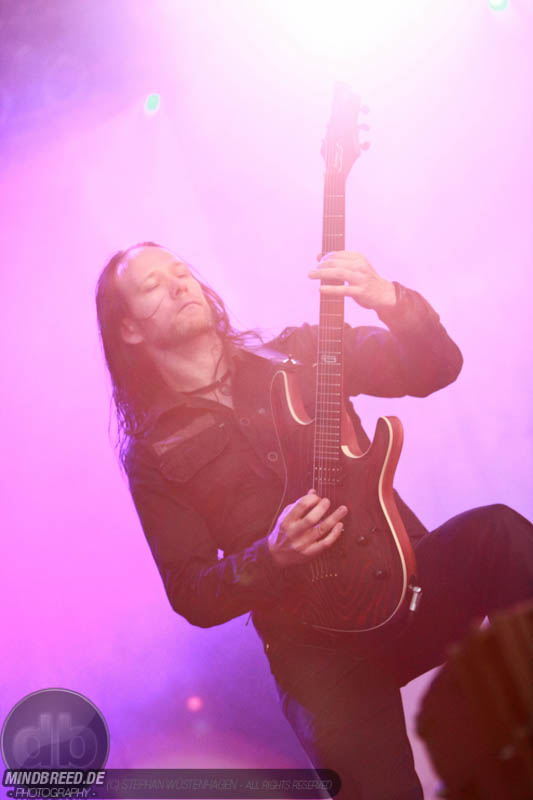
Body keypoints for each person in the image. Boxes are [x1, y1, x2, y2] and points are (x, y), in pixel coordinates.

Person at [96, 242, 533, 800]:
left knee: (498, 534)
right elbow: (191, 591)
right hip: (319, 657)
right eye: (154, 284)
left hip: (405, 585)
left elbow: (437, 368)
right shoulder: (152, 452)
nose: (179, 283)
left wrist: (389, 299)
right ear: (129, 328)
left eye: (181, 271)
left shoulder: (302, 352)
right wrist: (271, 555)